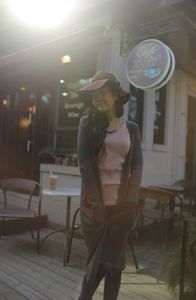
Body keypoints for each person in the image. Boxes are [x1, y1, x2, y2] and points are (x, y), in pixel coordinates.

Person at [77, 71, 143, 300]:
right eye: (94, 95)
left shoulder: (132, 128)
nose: (98, 98)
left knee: (115, 266)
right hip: (95, 208)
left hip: (122, 209)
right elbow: (85, 165)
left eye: (102, 92)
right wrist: (97, 205)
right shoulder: (87, 124)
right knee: (97, 266)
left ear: (115, 95)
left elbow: (136, 166)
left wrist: (131, 201)